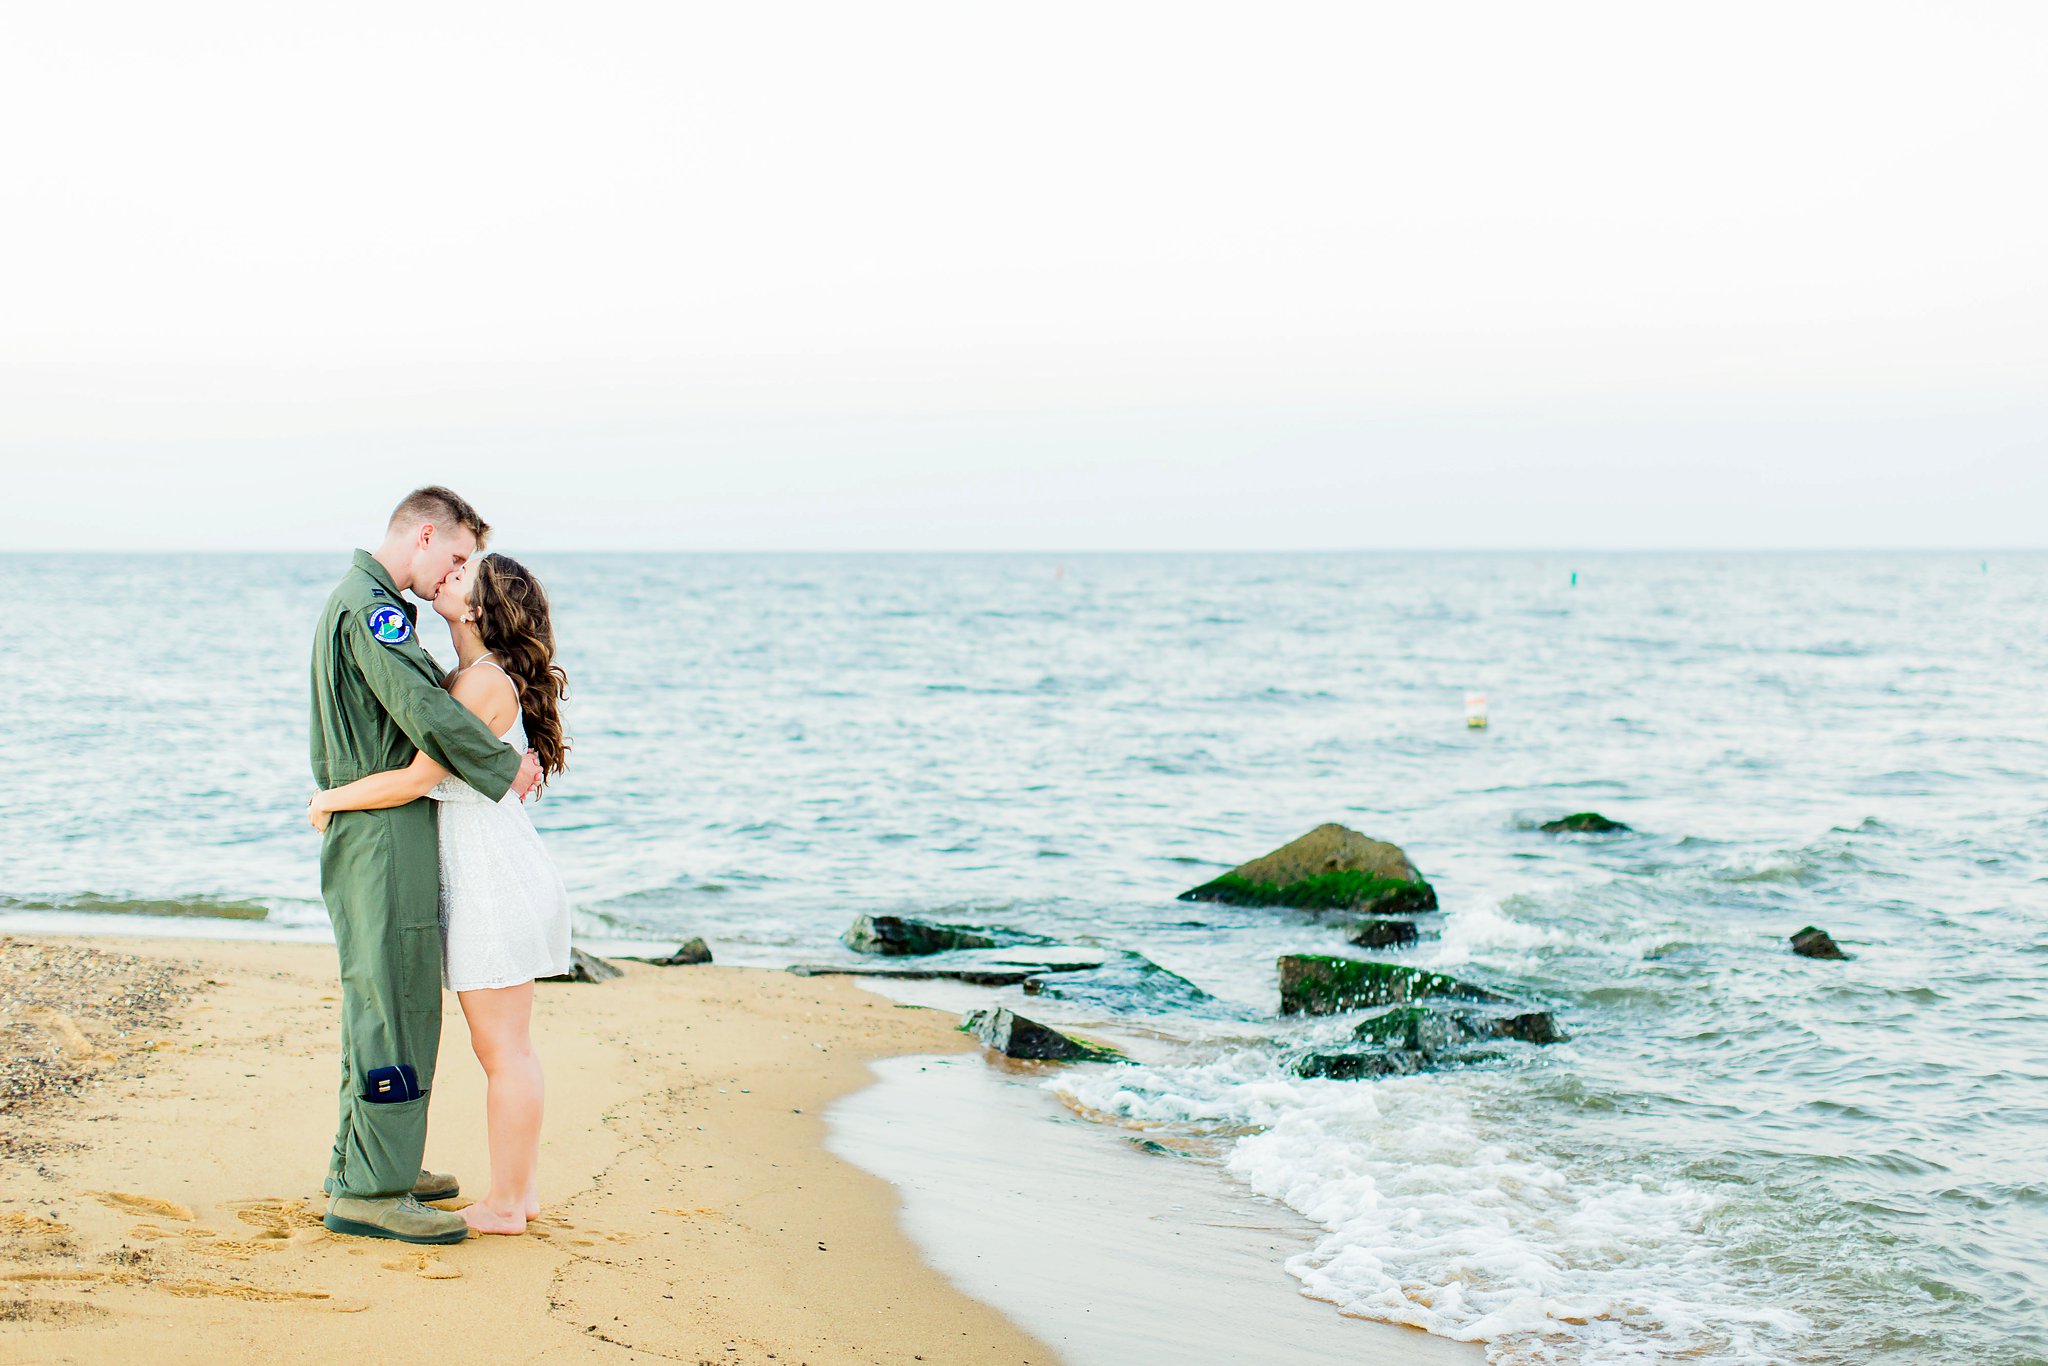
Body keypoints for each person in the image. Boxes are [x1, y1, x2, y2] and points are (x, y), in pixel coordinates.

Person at [310, 550, 572, 1235]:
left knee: (504, 1052)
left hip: (494, 882)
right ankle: (523, 1193)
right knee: (506, 1048)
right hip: (485, 874)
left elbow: (415, 779)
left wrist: (330, 798)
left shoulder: (482, 684)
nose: (447, 575)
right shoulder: (463, 676)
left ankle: (508, 1205)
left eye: (463, 576)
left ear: (479, 608)